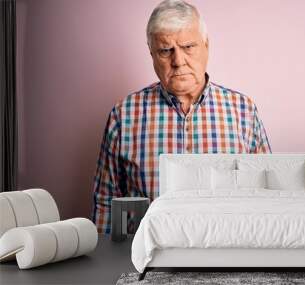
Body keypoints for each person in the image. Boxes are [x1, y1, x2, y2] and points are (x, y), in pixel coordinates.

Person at [92, 0, 272, 234]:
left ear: (207, 45)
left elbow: (267, 196)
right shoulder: (123, 116)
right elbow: (106, 203)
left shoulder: (243, 110)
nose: (178, 61)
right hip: (147, 260)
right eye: (166, 50)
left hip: (229, 253)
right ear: (152, 55)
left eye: (188, 46)